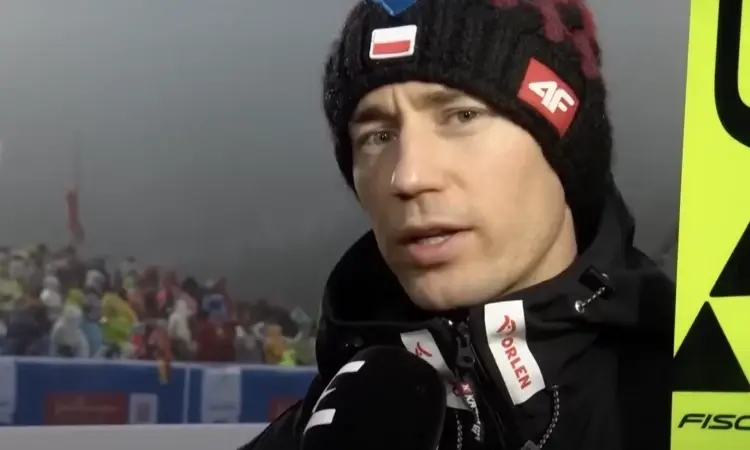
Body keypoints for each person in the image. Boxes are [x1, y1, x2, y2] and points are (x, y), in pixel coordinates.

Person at [243, 1, 674, 449]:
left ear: (563, 149)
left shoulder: (694, 407)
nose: (409, 177)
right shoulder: (312, 437)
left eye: (462, 116)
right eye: (378, 136)